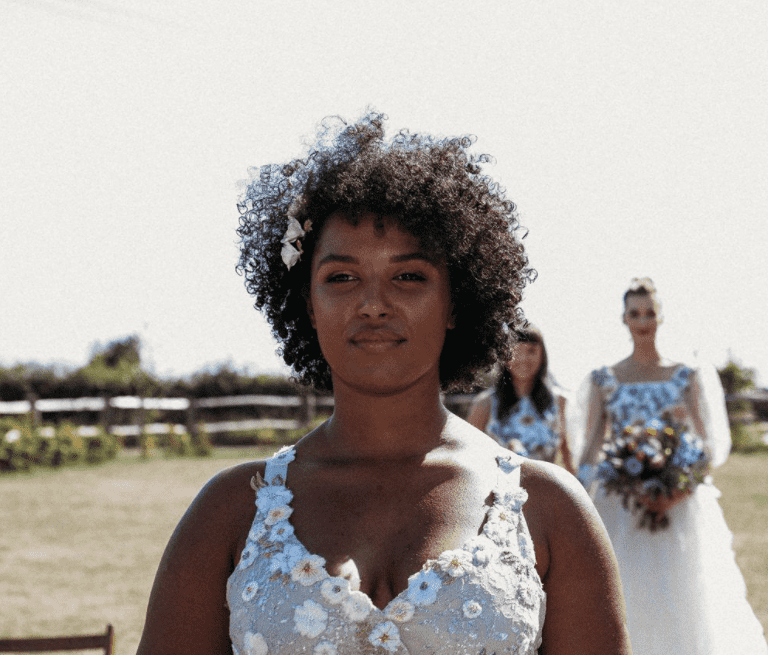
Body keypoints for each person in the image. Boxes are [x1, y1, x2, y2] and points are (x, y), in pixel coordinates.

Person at [137, 111, 631, 655]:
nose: (373, 304)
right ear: (308, 303)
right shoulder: (230, 512)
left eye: (408, 276)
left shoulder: (549, 509)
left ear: (455, 302)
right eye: (342, 277)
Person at [568, 277, 767, 655]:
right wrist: (584, 499)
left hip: (680, 505)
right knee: (627, 593)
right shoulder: (603, 379)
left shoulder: (686, 375)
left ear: (661, 317)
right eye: (635, 313)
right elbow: (591, 447)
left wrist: (678, 489)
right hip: (621, 505)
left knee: (686, 596)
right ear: (623, 319)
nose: (643, 321)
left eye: (650, 313)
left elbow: (707, 447)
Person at [467, 325, 575, 473]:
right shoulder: (485, 403)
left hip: (546, 490)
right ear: (505, 356)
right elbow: (469, 454)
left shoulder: (558, 401)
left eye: (531, 351)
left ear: (542, 356)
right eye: (515, 351)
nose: (523, 358)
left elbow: (565, 453)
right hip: (497, 491)